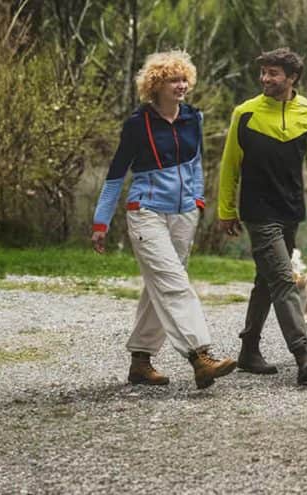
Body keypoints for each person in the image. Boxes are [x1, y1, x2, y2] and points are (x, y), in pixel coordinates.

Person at [91, 50, 237, 389]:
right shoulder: (137, 124)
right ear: (156, 85)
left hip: (184, 214)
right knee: (173, 282)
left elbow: (196, 164)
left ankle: (140, 362)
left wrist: (197, 200)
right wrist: (101, 222)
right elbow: (116, 175)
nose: (181, 85)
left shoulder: (193, 118)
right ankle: (200, 355)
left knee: (161, 283)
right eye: (174, 80)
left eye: (184, 79)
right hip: (147, 212)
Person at [217, 48, 307, 384]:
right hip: (258, 210)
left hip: (291, 208)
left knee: (266, 280)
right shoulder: (245, 113)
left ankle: (249, 350)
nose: (265, 79)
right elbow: (229, 165)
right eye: (263, 73)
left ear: (292, 78)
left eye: (273, 73)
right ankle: (303, 354)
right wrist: (226, 210)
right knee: (283, 279)